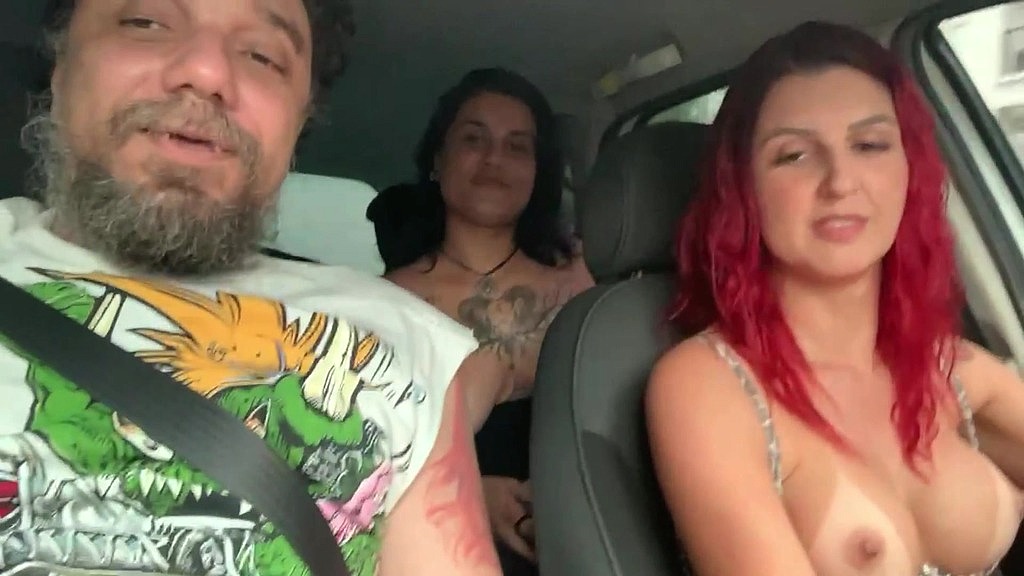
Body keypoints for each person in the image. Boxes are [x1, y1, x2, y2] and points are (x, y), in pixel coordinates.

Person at [0, 1, 505, 575]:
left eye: (262, 56)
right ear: (61, 65)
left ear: (297, 122)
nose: (207, 72)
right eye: (146, 22)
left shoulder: (403, 341)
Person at [645, 20, 1024, 576]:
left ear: (909, 168)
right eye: (794, 155)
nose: (841, 181)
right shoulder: (707, 386)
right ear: (744, 189)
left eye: (870, 145)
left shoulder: (946, 363)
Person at [377, 68, 594, 573]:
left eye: (518, 147)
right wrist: (471, 491)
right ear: (438, 160)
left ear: (538, 171)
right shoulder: (388, 301)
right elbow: (370, 460)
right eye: (474, 139)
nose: (495, 159)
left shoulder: (591, 275)